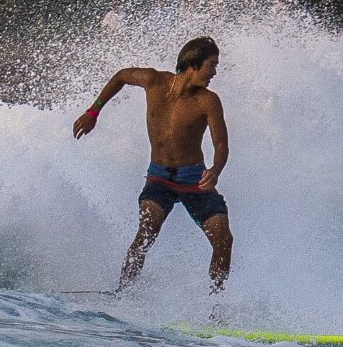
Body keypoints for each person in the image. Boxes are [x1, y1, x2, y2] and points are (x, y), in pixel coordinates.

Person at [72, 35, 231, 290]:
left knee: (224, 240)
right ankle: (123, 293)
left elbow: (221, 144)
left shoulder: (208, 101)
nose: (214, 72)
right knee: (147, 230)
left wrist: (215, 170)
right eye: (211, 65)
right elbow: (122, 76)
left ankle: (215, 304)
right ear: (193, 64)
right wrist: (93, 112)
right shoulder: (154, 81)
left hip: (195, 180)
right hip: (159, 178)